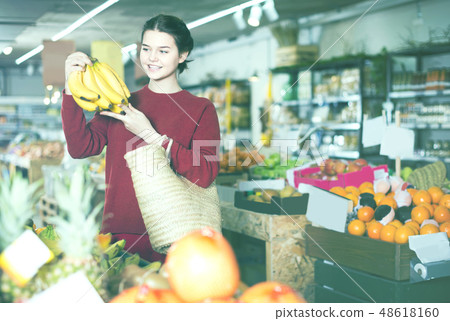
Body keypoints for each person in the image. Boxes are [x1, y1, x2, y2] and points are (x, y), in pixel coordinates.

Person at [62, 14, 221, 262]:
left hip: (175, 236)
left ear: (182, 55)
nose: (151, 58)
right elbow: (80, 147)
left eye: (163, 50)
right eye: (146, 48)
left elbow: (206, 173)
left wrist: (149, 134)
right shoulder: (119, 101)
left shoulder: (200, 108)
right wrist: (70, 91)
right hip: (118, 233)